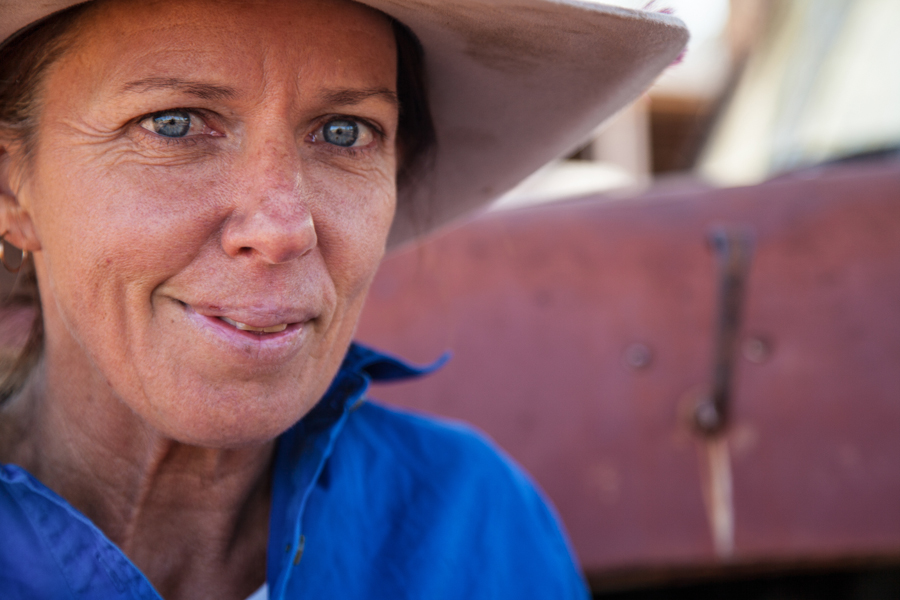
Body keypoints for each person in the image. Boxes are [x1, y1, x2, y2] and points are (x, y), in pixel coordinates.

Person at [0, 0, 686, 598]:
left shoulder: (470, 526)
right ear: (11, 190)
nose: (283, 229)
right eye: (174, 124)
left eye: (344, 132)